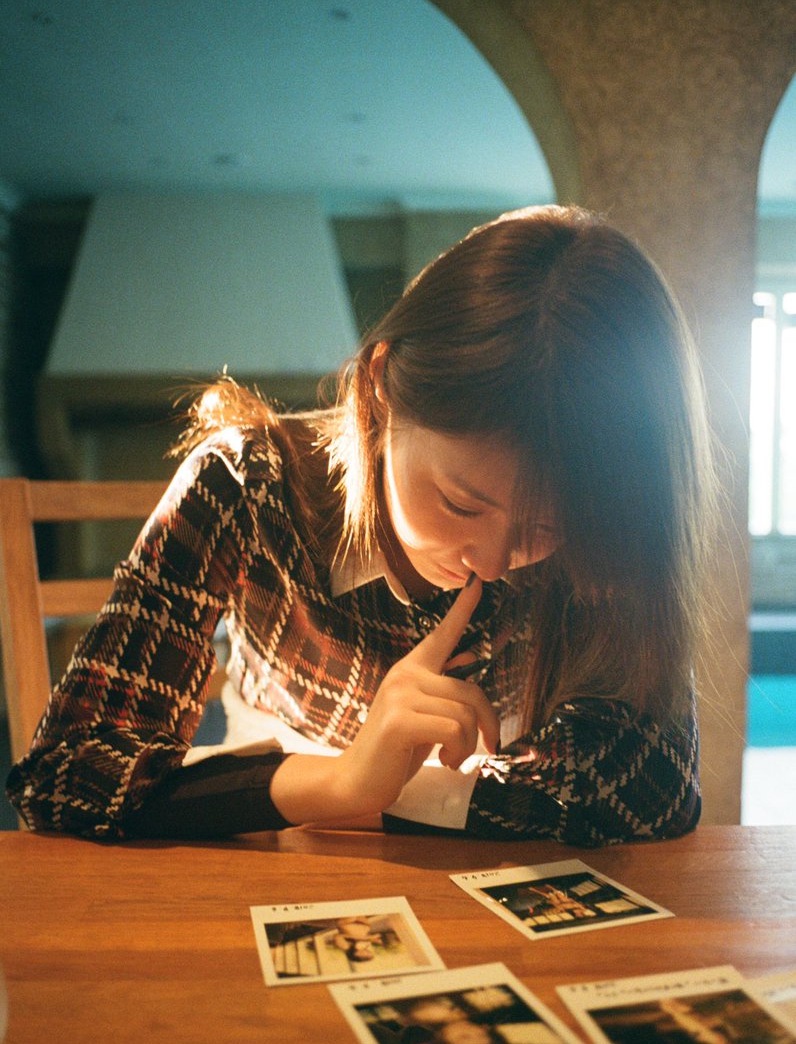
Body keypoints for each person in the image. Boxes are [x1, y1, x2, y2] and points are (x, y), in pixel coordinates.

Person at [6, 204, 716, 844]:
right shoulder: (247, 484)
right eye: (462, 503)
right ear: (378, 387)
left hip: (471, 843)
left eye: (545, 526)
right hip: (280, 823)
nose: (496, 563)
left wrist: (386, 796)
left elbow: (651, 787)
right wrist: (338, 781)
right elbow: (64, 775)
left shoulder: (602, 522)